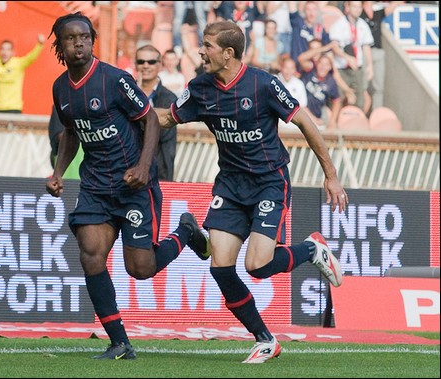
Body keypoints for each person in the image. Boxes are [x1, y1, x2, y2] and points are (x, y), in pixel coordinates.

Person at [156, 20, 347, 364]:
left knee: (257, 266)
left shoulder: (263, 85)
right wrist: (127, 116)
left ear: (228, 53)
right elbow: (166, 119)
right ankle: (265, 339)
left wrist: (331, 176)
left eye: (208, 46)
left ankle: (311, 250)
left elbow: (305, 122)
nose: (201, 51)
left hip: (269, 183)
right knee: (221, 269)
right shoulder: (199, 88)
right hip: (230, 185)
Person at [45, 12, 209, 360]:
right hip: (95, 186)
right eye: (71, 38)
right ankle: (119, 342)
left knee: (141, 269)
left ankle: (185, 231)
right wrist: (59, 172)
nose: (79, 43)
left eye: (85, 37)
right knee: (91, 256)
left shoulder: (114, 80)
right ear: (59, 45)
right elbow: (72, 132)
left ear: (92, 41)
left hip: (134, 184)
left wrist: (144, 165)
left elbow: (150, 118)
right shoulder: (61, 88)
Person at [136, 44, 178, 182]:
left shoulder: (169, 98)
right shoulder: (124, 94)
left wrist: (139, 104)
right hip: (129, 170)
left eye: (151, 62)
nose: (146, 66)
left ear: (160, 65)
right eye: (141, 61)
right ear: (135, 64)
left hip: (159, 172)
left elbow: (161, 133)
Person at [329, 1, 374, 112]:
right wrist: (347, 57)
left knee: (359, 99)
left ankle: (356, 125)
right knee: (339, 97)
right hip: (342, 68)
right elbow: (334, 47)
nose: (357, 9)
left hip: (356, 68)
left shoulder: (363, 25)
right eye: (354, 6)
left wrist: (370, 65)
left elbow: (366, 46)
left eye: (359, 7)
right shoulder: (339, 24)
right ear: (348, 7)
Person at [360, 0, 404, 112]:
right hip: (364, 51)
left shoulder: (377, 14)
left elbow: (388, 9)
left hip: (378, 51)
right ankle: (361, 111)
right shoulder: (360, 14)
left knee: (378, 86)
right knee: (362, 85)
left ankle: (376, 112)